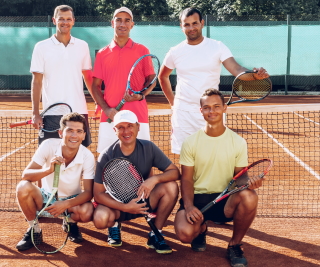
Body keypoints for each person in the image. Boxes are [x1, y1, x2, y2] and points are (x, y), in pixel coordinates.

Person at [158, 7, 270, 154]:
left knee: (213, 156)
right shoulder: (175, 52)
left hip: (211, 113)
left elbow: (236, 70)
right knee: (186, 161)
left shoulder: (217, 47)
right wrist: (173, 103)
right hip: (183, 114)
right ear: (181, 26)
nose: (191, 28)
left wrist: (254, 76)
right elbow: (162, 76)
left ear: (202, 23)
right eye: (187, 24)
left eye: (195, 23)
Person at [174, 89, 265, 267]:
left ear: (224, 108)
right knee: (185, 235)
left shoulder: (237, 142)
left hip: (225, 199)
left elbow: (240, 176)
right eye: (207, 107)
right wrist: (190, 205)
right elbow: (186, 179)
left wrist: (249, 184)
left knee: (250, 196)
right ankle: (201, 229)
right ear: (201, 111)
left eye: (216, 106)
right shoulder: (190, 142)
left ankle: (235, 244)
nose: (212, 111)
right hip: (198, 199)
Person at [93, 110, 180, 254]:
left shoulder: (149, 148)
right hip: (118, 205)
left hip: (143, 200)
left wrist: (154, 179)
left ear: (138, 127)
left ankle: (155, 233)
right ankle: (114, 225)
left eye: (130, 126)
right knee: (100, 219)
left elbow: (175, 172)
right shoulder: (106, 155)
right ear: (115, 130)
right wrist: (125, 207)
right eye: (120, 127)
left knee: (171, 187)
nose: (126, 131)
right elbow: (98, 194)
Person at [15, 112, 95, 251]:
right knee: (23, 187)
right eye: (69, 130)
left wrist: (65, 204)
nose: (74, 135)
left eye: (79, 131)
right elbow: (26, 175)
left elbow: (88, 192)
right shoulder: (48, 145)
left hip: (71, 201)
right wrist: (48, 170)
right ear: (60, 133)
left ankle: (70, 222)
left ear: (83, 135)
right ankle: (35, 230)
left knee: (87, 211)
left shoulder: (87, 156)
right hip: (46, 198)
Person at [91, 7, 157, 153]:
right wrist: (106, 109)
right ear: (112, 23)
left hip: (137, 115)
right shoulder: (102, 54)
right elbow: (95, 86)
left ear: (132, 25)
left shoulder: (142, 50)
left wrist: (141, 95)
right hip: (111, 116)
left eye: (127, 21)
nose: (122, 24)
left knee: (144, 158)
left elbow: (152, 80)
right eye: (118, 20)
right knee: (106, 159)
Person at [30, 4, 93, 147]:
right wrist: (35, 113)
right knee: (51, 155)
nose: (65, 22)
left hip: (79, 111)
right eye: (61, 19)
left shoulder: (83, 46)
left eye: (68, 19)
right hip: (52, 113)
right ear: (54, 20)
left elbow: (88, 77)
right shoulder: (41, 47)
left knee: (79, 154)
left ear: (73, 21)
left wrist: (98, 103)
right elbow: (37, 82)